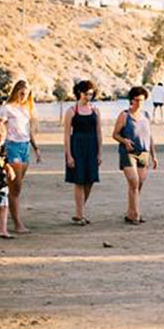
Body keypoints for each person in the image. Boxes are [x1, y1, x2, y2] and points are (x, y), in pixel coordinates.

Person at [0, 80, 42, 233]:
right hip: (12, 146)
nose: (23, 96)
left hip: (25, 147)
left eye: (26, 94)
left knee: (15, 187)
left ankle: (0, 220)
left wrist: (36, 148)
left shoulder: (26, 109)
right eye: (21, 93)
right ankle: (16, 223)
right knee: (15, 187)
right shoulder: (7, 108)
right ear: (16, 91)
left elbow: (28, 132)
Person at [112, 86, 157, 224]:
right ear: (131, 100)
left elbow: (150, 137)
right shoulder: (124, 115)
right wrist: (124, 141)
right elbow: (115, 134)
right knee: (134, 181)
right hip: (128, 153)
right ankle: (136, 214)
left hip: (144, 152)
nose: (139, 103)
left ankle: (131, 212)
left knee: (138, 184)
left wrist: (154, 155)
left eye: (142, 100)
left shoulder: (146, 116)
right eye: (136, 100)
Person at [63, 79, 102, 224]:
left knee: (90, 180)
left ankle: (80, 211)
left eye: (91, 94)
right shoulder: (71, 111)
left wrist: (99, 153)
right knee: (79, 180)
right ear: (79, 93)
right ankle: (80, 214)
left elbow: (99, 133)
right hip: (77, 146)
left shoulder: (95, 110)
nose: (89, 97)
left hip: (92, 146)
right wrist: (69, 155)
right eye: (86, 94)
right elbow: (66, 135)